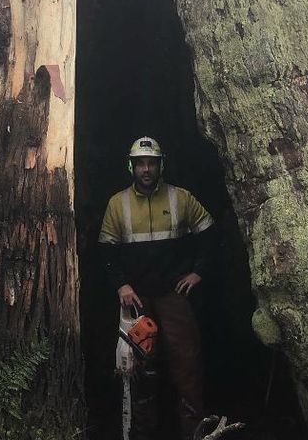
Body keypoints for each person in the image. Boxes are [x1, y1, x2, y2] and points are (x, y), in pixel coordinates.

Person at [98, 136, 215, 440]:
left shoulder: (181, 198)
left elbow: (210, 234)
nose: (146, 169)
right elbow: (106, 252)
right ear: (131, 166)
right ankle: (142, 434)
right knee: (139, 367)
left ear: (161, 165)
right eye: (140, 163)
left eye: (151, 163)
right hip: (137, 302)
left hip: (173, 296)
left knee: (186, 363)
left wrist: (198, 272)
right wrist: (121, 284)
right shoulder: (117, 203)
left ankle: (195, 433)